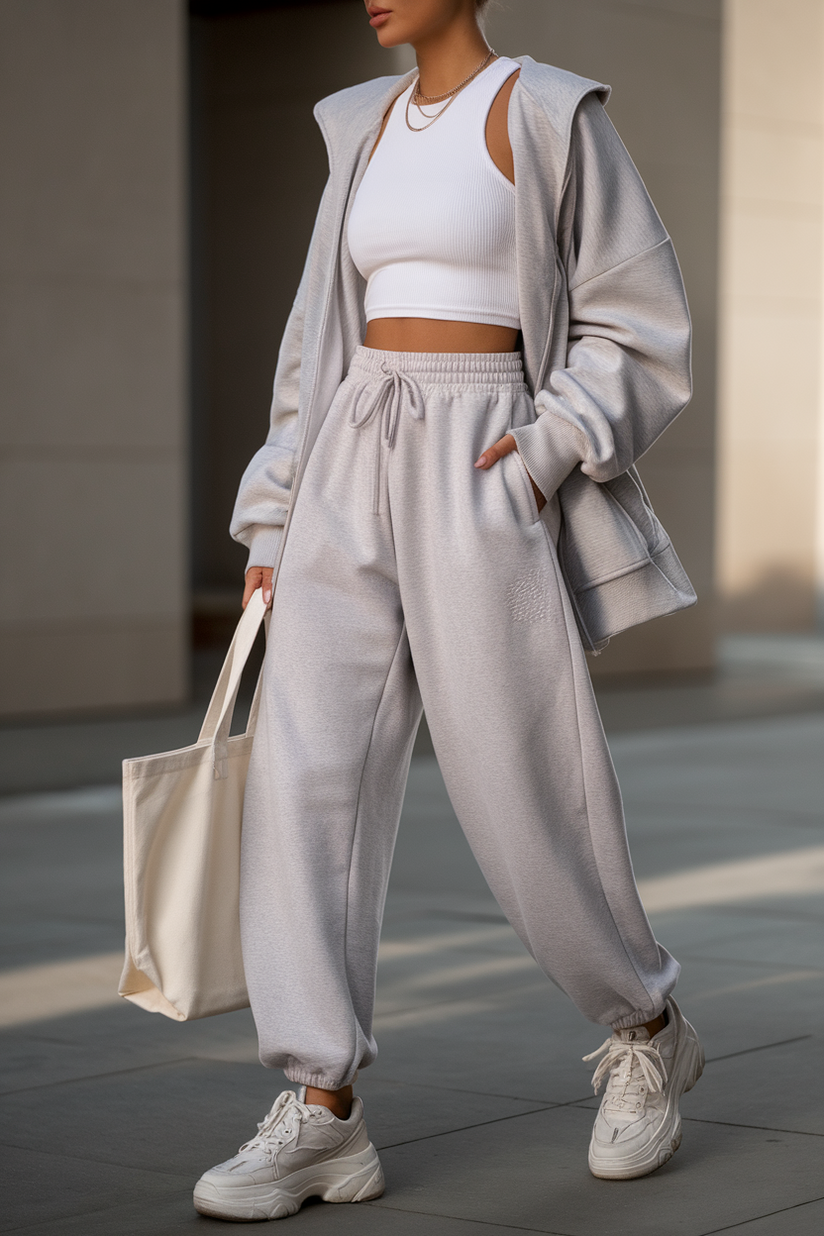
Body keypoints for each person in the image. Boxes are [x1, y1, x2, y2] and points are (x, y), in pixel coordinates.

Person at [193, 0, 704, 1222]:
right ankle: (320, 1109)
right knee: (304, 778)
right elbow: (314, 345)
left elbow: (636, 324)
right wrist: (274, 517)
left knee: (519, 774)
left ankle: (643, 1023)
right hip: (347, 460)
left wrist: (544, 450)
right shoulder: (359, 128)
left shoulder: (545, 112)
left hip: (481, 463)